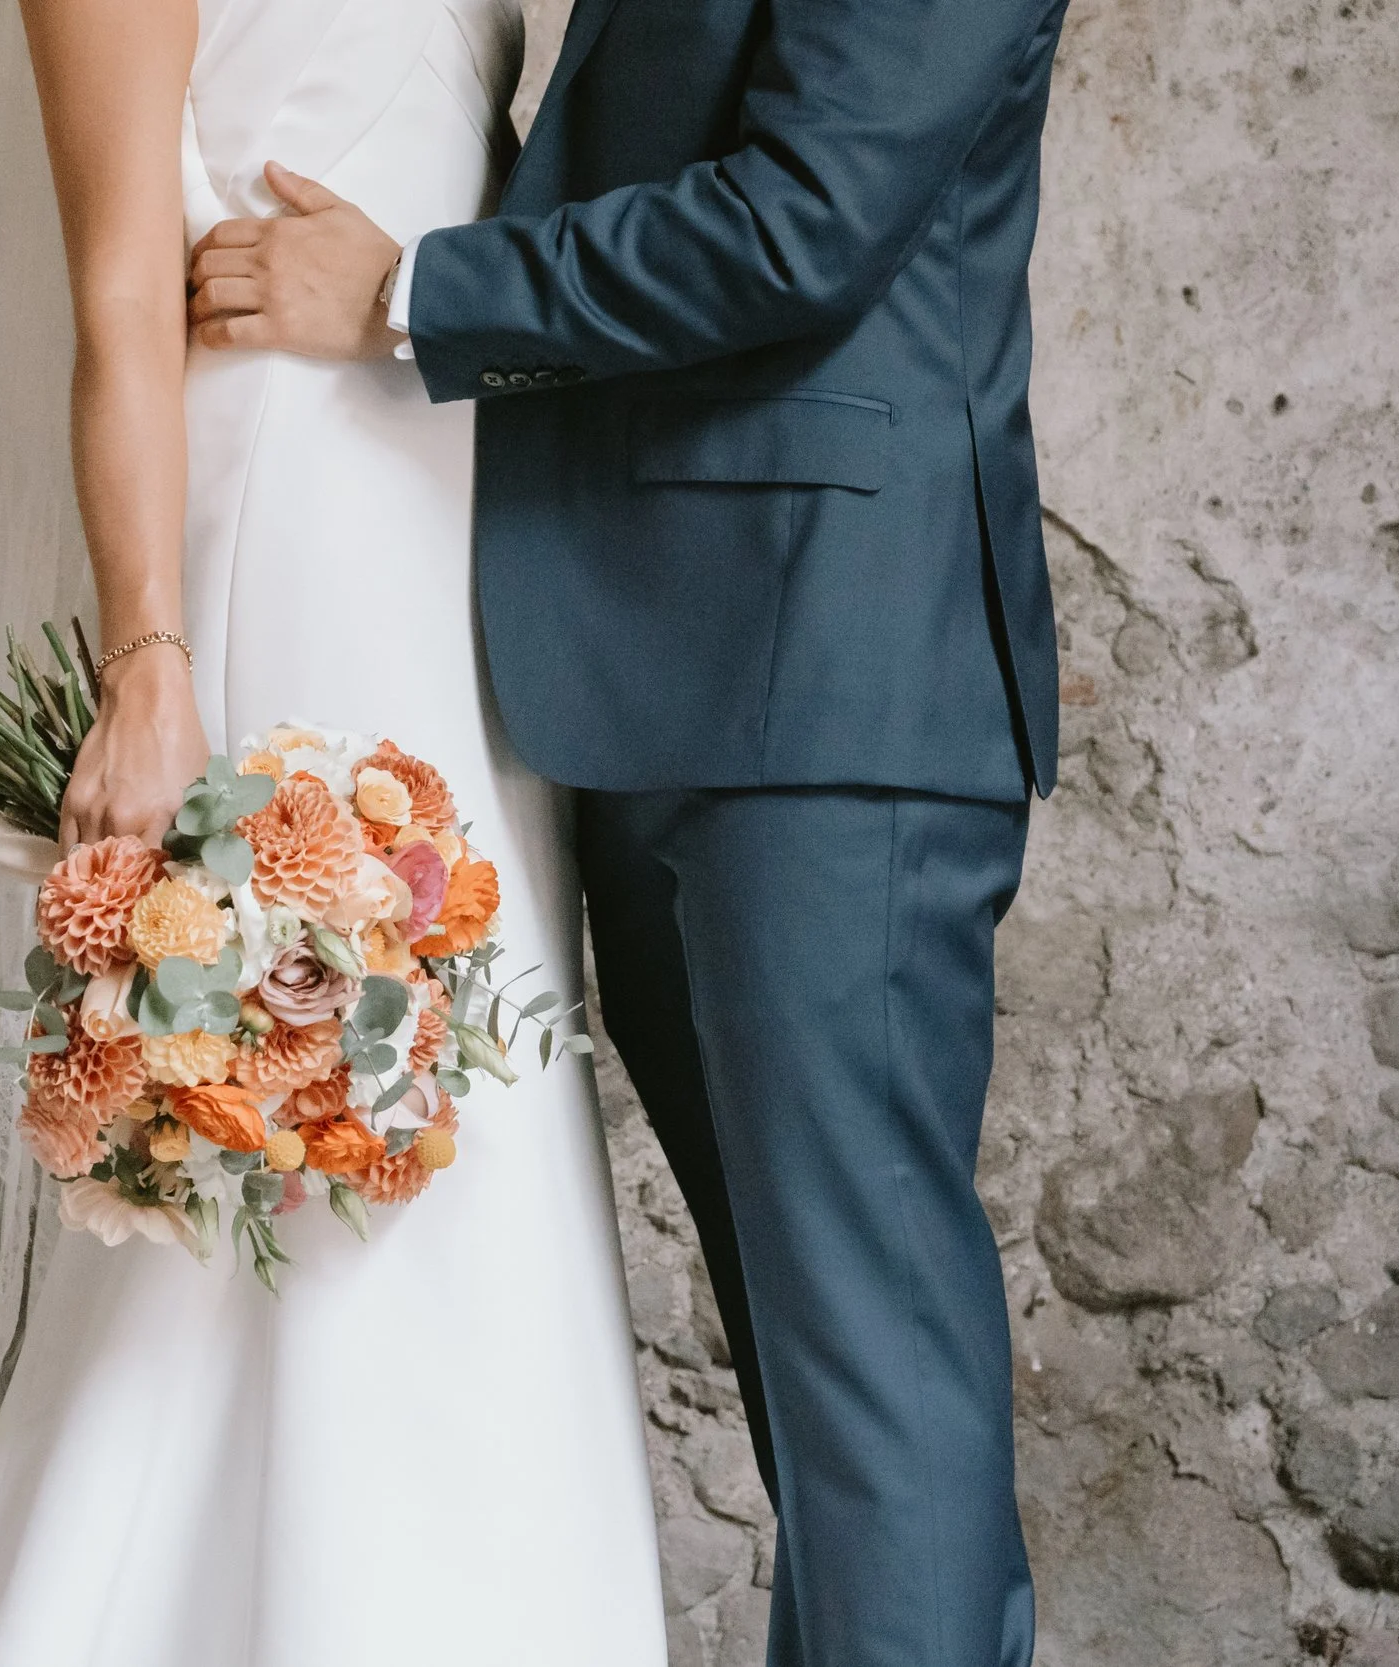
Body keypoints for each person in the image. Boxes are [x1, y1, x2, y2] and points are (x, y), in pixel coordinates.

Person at [0, 0, 666, 1657]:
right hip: (286, 538)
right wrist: (150, 665)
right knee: (291, 1165)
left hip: (447, 530)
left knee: (467, 1140)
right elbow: (118, 294)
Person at [184, 0, 1073, 1657]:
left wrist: (407, 293)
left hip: (833, 694)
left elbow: (807, 217)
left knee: (869, 1372)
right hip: (670, 663)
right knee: (814, 1375)